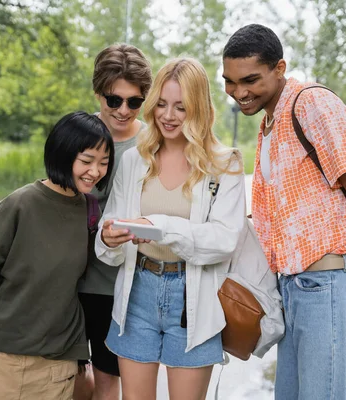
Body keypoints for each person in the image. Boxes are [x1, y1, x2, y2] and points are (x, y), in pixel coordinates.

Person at [221, 24, 346, 400]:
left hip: (328, 286)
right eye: (229, 81)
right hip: (298, 288)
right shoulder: (269, 121)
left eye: (250, 80)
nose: (239, 92)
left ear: (279, 68)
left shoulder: (311, 104)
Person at [96, 58, 246, 400]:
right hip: (137, 295)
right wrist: (108, 238)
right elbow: (111, 240)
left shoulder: (224, 163)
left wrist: (159, 227)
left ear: (200, 109)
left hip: (193, 298)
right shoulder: (136, 159)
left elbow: (224, 240)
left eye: (181, 107)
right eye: (161, 104)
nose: (168, 115)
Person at [0, 111, 114, 400]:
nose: (95, 171)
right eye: (87, 161)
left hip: (58, 365)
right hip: (2, 360)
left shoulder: (90, 212)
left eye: (104, 163)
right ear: (63, 154)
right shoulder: (20, 205)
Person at [75, 43, 152, 400]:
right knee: (70, 377)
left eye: (134, 102)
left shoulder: (152, 142)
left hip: (120, 284)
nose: (123, 110)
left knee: (109, 378)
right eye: (113, 100)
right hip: (71, 279)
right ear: (98, 94)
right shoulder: (78, 135)